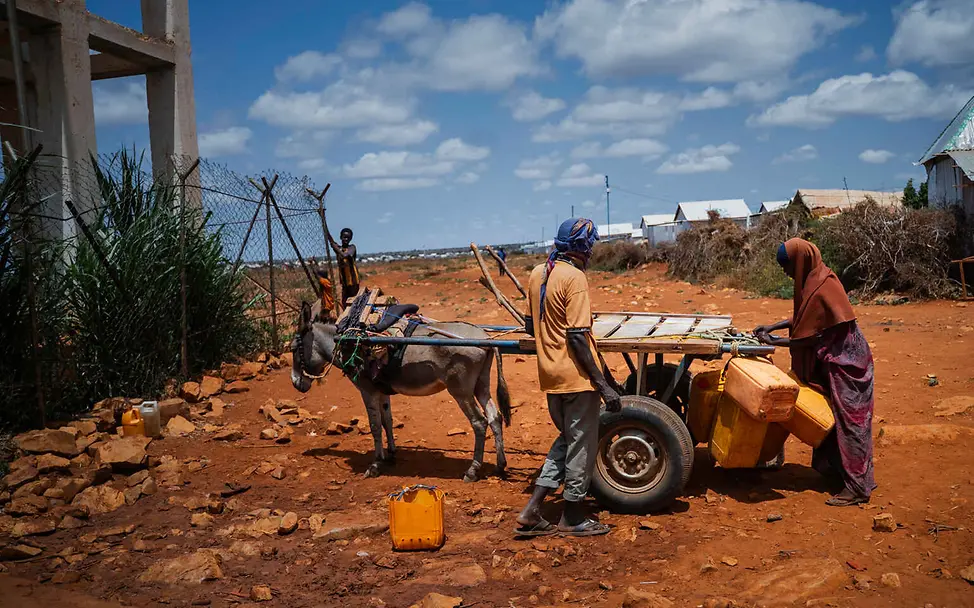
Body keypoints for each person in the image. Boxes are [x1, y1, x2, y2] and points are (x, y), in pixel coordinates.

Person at [515, 218, 621, 537]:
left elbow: (529, 325)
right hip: (575, 378)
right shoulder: (574, 277)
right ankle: (573, 515)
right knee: (581, 446)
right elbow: (577, 336)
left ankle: (532, 509)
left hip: (550, 375)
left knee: (567, 440)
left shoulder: (538, 273)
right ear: (583, 247)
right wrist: (603, 386)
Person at [753, 238, 876, 507]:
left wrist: (776, 343)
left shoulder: (824, 285)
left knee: (850, 424)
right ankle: (837, 473)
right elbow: (804, 319)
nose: (787, 273)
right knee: (830, 417)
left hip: (847, 366)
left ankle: (857, 488)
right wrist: (773, 327)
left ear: (800, 261)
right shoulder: (814, 279)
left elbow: (811, 337)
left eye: (788, 267)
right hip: (834, 362)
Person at [326, 227, 360, 305]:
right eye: (344, 237)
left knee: (354, 302)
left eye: (348, 238)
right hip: (344, 283)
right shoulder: (339, 248)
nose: (346, 239)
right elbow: (330, 239)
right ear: (340, 237)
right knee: (344, 303)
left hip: (353, 282)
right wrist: (325, 226)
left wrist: (335, 247)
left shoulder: (352, 247)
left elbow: (346, 255)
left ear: (351, 238)